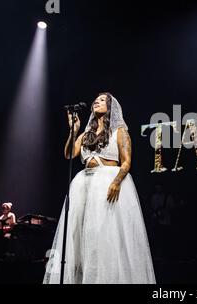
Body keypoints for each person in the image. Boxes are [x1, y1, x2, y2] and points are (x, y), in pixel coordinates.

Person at [43, 92, 156, 284]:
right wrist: (74, 130)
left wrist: (117, 182)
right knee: (83, 236)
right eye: (96, 99)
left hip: (107, 181)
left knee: (105, 235)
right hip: (84, 183)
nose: (97, 101)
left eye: (102, 100)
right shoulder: (86, 134)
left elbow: (127, 161)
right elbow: (69, 154)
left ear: (111, 107)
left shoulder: (119, 131)